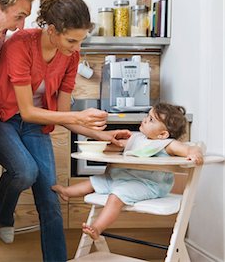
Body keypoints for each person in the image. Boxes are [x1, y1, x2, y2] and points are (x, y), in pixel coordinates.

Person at [0, 0, 130, 262]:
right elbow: (26, 110)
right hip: (2, 117)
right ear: (51, 30)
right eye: (71, 40)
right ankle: (2, 213)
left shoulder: (70, 55)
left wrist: (102, 135)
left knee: (50, 198)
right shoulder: (20, 45)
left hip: (38, 123)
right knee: (25, 171)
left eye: (80, 40)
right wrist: (79, 117)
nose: (75, 48)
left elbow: (62, 114)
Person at [52, 103, 204, 241]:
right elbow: (119, 146)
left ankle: (97, 228)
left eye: (151, 120)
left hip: (148, 184)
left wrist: (195, 153)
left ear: (163, 134)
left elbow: (190, 148)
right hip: (126, 178)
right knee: (95, 181)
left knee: (116, 195)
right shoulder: (139, 138)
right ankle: (67, 192)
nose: (145, 120)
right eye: (147, 116)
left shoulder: (167, 144)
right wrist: (100, 145)